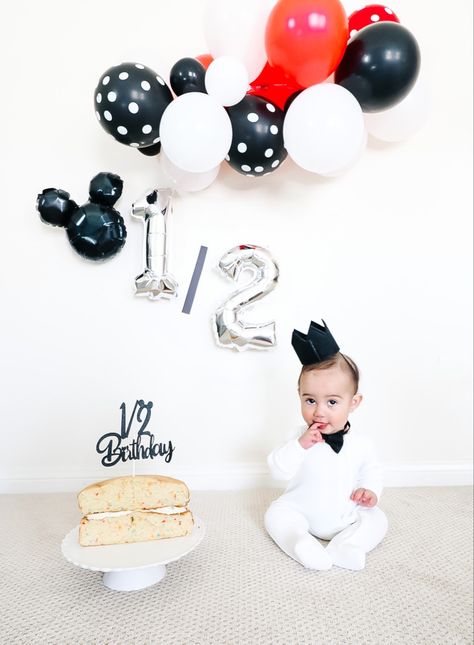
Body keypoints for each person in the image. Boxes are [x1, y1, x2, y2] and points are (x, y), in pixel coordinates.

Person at [264, 320, 388, 571]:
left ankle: (348, 546)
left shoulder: (362, 444)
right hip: (301, 509)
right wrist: (300, 446)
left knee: (378, 519)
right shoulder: (296, 437)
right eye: (310, 400)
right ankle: (300, 543)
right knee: (275, 515)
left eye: (332, 402)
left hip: (346, 513)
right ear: (299, 395)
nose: (319, 411)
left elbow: (372, 472)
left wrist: (369, 490)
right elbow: (278, 470)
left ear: (353, 402)